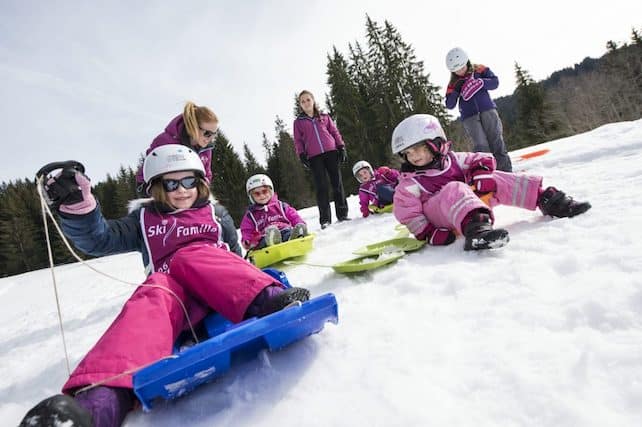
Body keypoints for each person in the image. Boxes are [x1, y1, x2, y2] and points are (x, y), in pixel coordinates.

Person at [23, 145, 311, 427]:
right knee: (155, 288)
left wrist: (256, 283)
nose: (182, 189)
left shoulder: (216, 215)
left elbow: (235, 258)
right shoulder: (143, 219)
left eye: (189, 181)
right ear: (155, 187)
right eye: (171, 183)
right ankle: (98, 403)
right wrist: (78, 208)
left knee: (190, 255)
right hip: (174, 306)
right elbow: (100, 239)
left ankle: (270, 299)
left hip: (227, 295)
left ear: (201, 182)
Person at [391, 114, 591, 251]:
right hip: (440, 219)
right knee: (455, 188)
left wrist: (480, 172)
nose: (413, 156)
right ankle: (477, 232)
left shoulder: (454, 160)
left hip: (471, 206)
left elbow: (481, 158)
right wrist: (428, 233)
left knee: (495, 177)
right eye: (407, 153)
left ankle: (546, 200)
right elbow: (408, 215)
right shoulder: (410, 183)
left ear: (435, 143)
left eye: (417, 148)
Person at [133, 101, 242, 256]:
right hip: (159, 190)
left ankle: (235, 260)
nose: (211, 138)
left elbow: (206, 173)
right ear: (193, 127)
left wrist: (202, 192)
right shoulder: (165, 142)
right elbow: (150, 171)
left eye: (214, 134)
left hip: (187, 189)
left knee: (218, 216)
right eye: (207, 133)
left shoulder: (205, 148)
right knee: (162, 232)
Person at [445, 47, 513, 172]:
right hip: (469, 117)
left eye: (462, 67)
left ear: (467, 62)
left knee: (496, 140)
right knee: (481, 146)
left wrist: (482, 82)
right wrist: (456, 91)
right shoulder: (453, 83)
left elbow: (495, 82)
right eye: (456, 70)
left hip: (487, 109)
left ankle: (507, 172)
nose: (460, 71)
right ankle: (488, 174)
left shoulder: (480, 69)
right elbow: (449, 104)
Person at [293, 90, 349, 229]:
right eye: (303, 101)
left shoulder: (324, 116)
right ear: (300, 105)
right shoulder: (298, 122)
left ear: (313, 100)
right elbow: (298, 140)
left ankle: (342, 214)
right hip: (314, 156)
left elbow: (334, 132)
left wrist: (341, 146)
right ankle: (325, 219)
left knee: (337, 184)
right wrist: (301, 154)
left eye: (308, 100)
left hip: (331, 152)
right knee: (321, 187)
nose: (306, 103)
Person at [240, 174, 308, 250]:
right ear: (251, 197)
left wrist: (299, 223)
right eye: (257, 194)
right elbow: (246, 230)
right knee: (263, 240)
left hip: (284, 229)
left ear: (270, 191)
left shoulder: (281, 206)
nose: (262, 196)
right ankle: (272, 242)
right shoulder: (251, 215)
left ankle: (294, 238)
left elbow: (294, 216)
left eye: (264, 191)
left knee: (287, 233)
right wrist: (247, 240)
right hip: (264, 237)